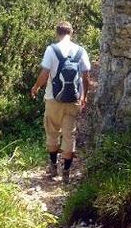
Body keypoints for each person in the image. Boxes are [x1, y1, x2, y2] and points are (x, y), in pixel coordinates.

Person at [31, 21, 91, 183]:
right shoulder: (81, 51)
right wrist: (84, 96)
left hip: (53, 98)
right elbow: (86, 77)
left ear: (57, 33)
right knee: (69, 135)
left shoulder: (52, 49)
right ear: (71, 33)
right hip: (73, 100)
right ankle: (66, 173)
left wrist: (36, 87)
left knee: (52, 132)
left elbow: (45, 73)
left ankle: (53, 167)